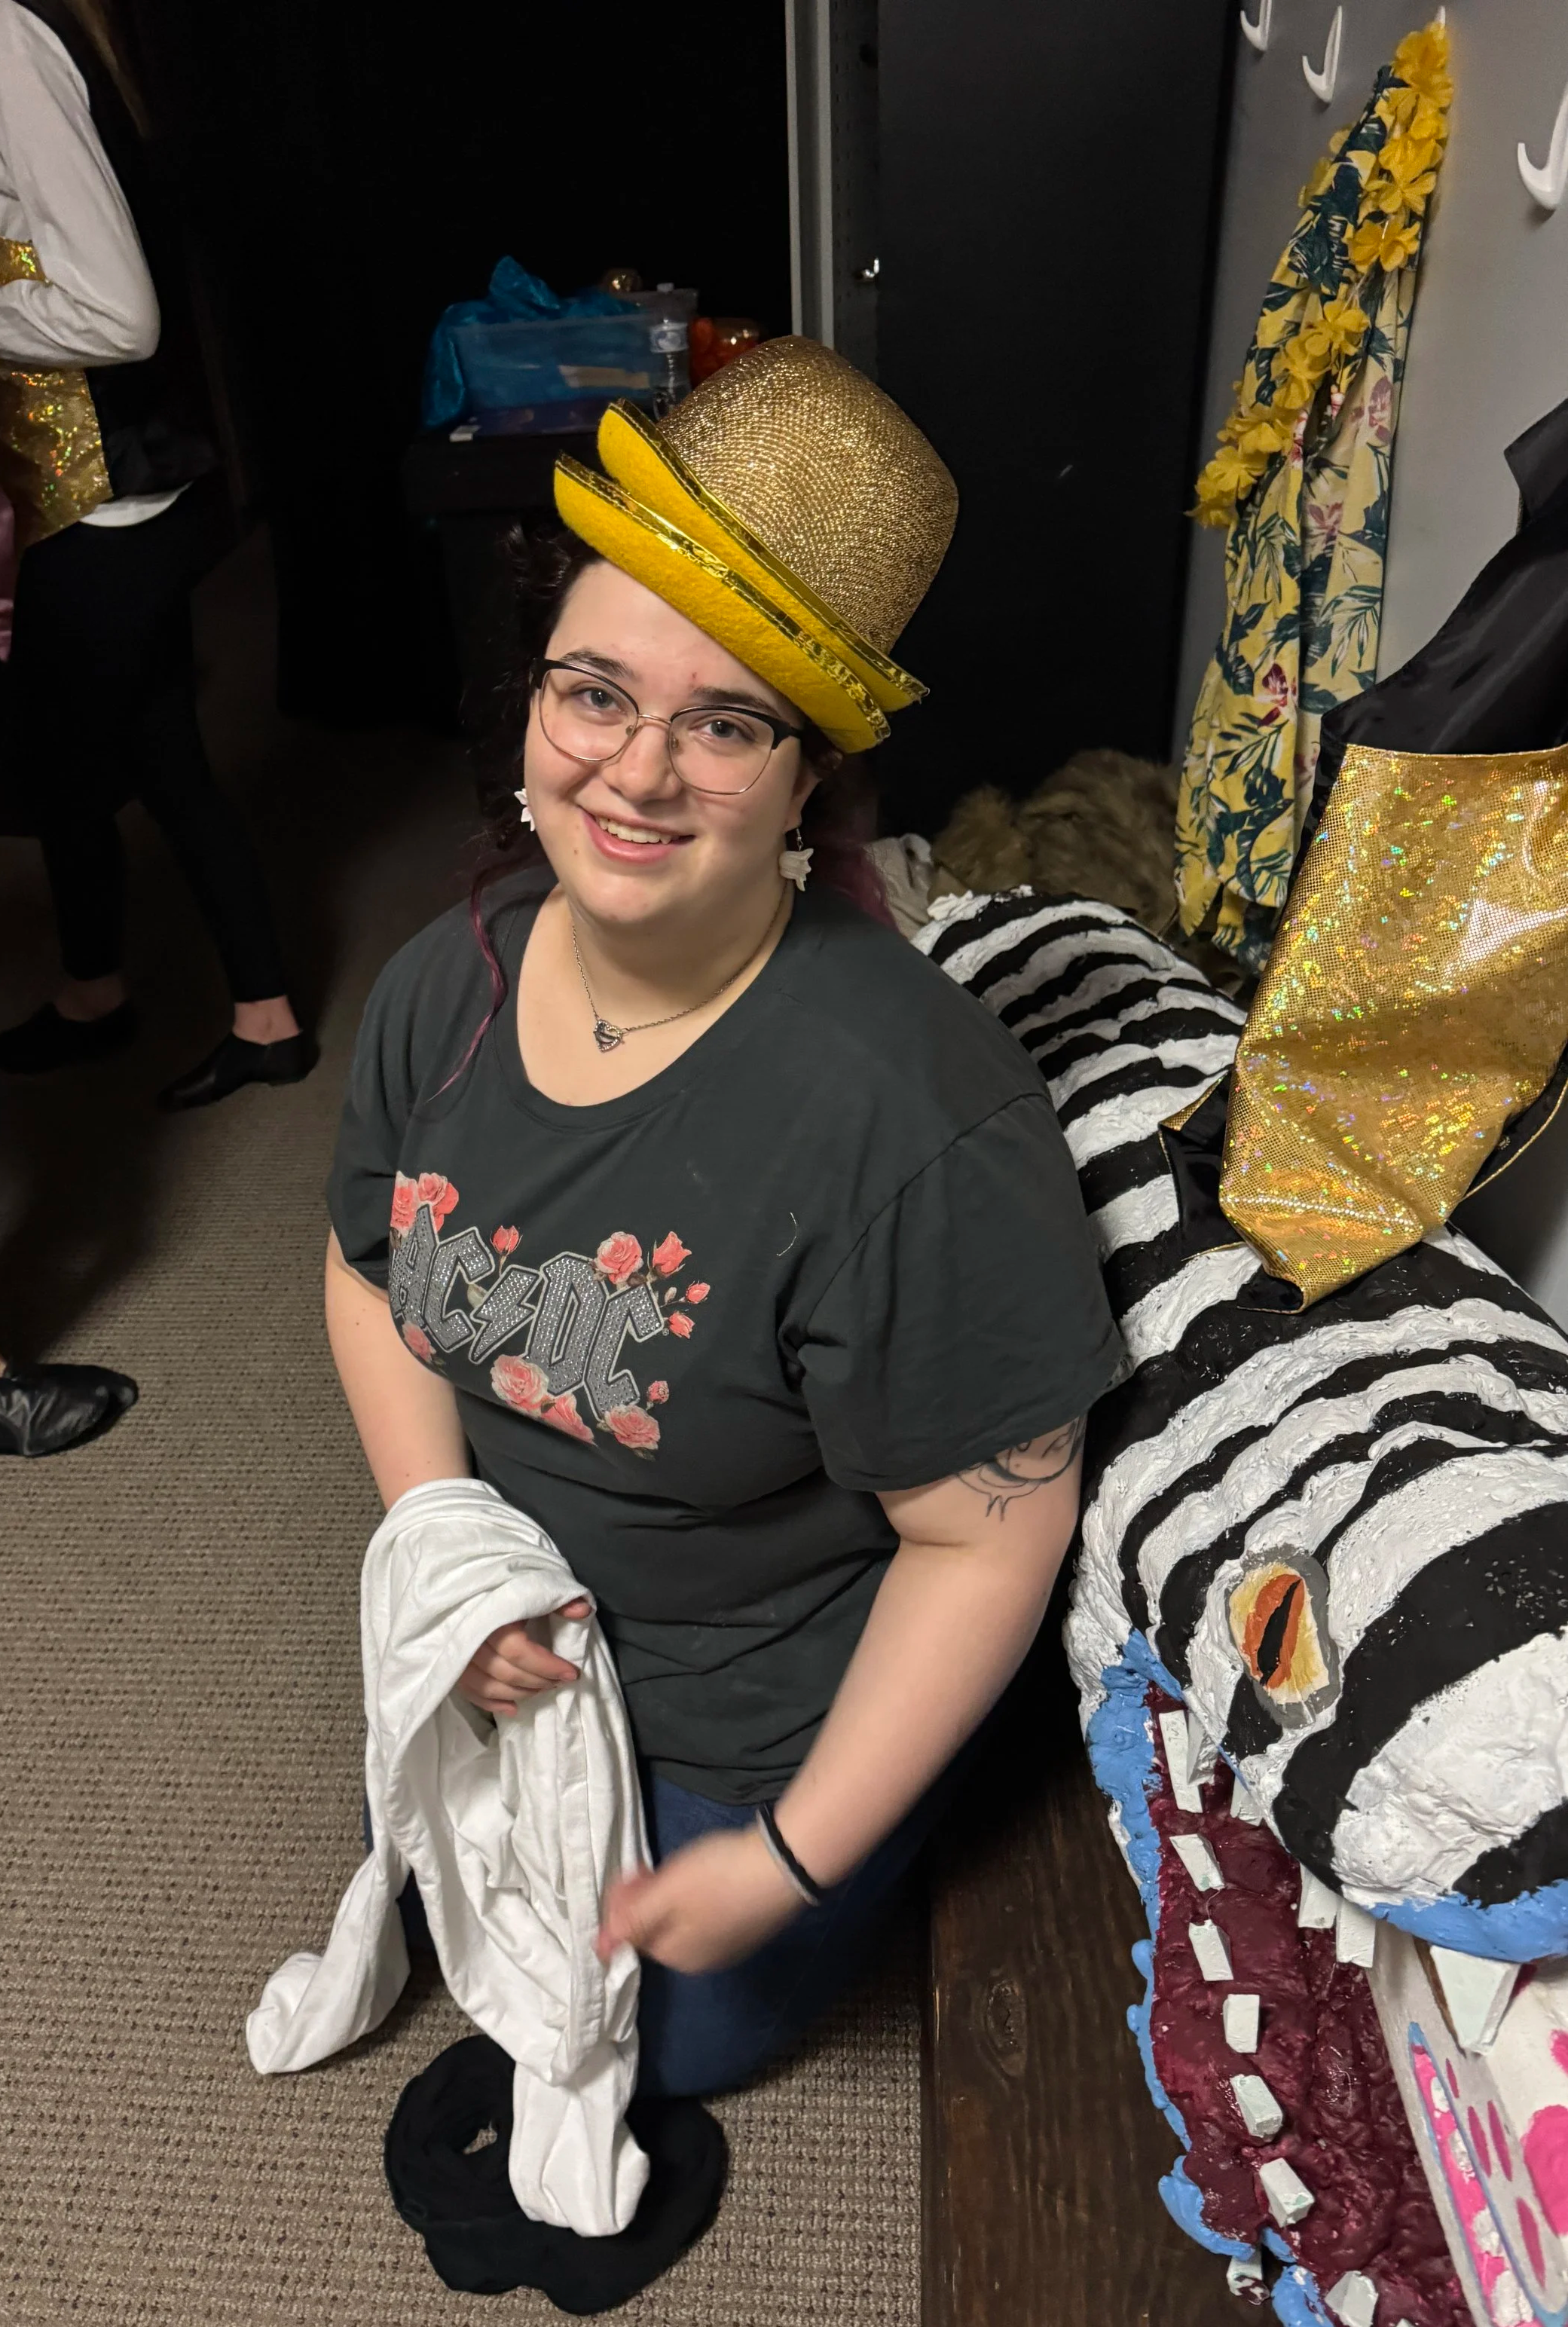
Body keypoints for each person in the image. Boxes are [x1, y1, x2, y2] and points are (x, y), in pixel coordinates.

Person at [326, 338, 1122, 2097]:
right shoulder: (439, 982)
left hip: (760, 1689)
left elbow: (988, 1535)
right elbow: (364, 1259)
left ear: (804, 777)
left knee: (654, 2041)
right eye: (592, 692)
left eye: (726, 718)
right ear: (530, 699)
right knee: (467, 1913)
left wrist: (791, 1851)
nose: (636, 770)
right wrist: (445, 1546)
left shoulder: (907, 1124)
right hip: (522, 1606)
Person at [0, 0, 313, 1108]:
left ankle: (170, 1002)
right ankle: (185, 1004)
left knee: (80, 769)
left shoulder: (6, 33)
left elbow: (116, 316)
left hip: (100, 498)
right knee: (148, 755)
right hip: (84, 495)